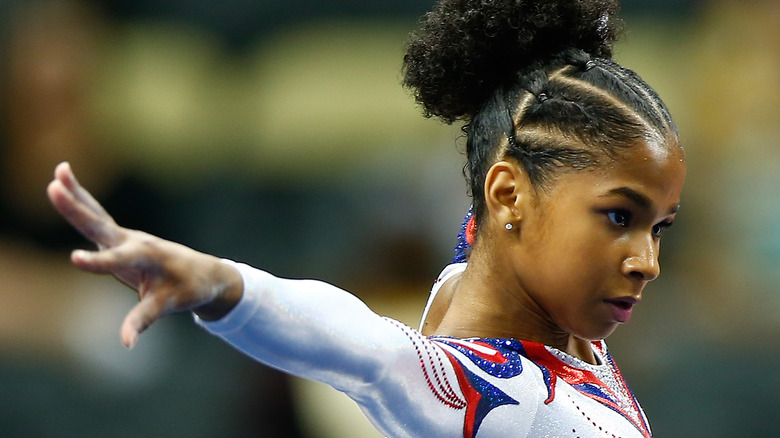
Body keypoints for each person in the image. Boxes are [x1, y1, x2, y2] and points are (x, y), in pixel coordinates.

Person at [47, 0, 685, 436]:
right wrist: (219, 285)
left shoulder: (520, 280)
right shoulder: (488, 396)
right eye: (618, 217)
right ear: (510, 196)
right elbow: (357, 343)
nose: (647, 261)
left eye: (659, 226)